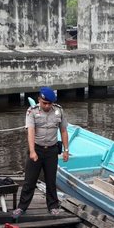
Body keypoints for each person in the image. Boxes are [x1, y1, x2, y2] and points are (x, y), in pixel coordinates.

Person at [12, 86, 69, 218]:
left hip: (52, 150)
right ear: (39, 100)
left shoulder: (59, 111)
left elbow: (64, 131)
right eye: (45, 103)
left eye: (50, 103)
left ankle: (53, 206)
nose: (47, 106)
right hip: (36, 149)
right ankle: (22, 207)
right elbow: (30, 131)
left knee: (51, 180)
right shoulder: (32, 111)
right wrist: (32, 151)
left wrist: (66, 150)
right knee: (29, 181)